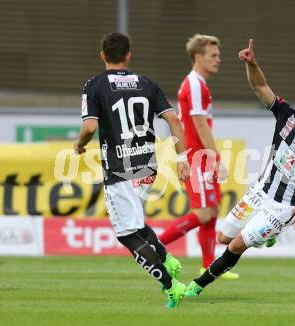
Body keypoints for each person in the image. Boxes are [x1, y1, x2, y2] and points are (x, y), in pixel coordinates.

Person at [185, 39, 295, 297]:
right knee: (223, 238)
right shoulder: (286, 115)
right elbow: (260, 85)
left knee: (236, 245)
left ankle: (196, 286)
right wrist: (251, 63)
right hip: (260, 191)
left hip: (284, 207)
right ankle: (268, 237)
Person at [73, 32, 190, 308]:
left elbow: (89, 127)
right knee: (135, 221)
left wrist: (79, 145)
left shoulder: (94, 85)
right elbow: (173, 119)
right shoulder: (147, 84)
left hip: (118, 168)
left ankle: (171, 287)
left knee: (126, 234)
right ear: (128, 55)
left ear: (103, 55)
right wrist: (182, 159)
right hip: (146, 165)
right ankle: (166, 257)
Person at [158, 34, 238, 280]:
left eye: (218, 55)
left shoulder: (198, 84)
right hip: (197, 159)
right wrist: (214, 158)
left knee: (211, 210)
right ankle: (155, 246)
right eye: (213, 55)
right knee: (203, 213)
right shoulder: (194, 84)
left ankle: (207, 265)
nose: (218, 60)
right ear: (198, 57)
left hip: (197, 157)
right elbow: (199, 124)